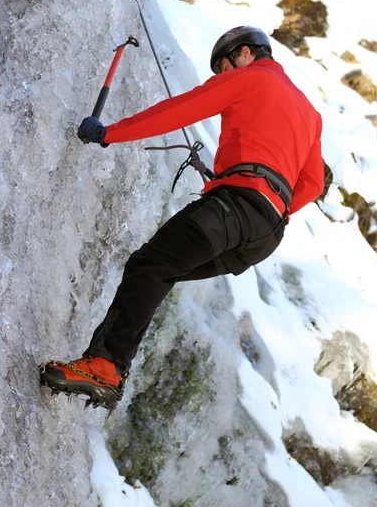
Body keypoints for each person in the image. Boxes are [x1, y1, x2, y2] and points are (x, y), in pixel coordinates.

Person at [39, 26, 325, 411]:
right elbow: (312, 182)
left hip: (235, 207)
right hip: (266, 233)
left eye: (222, 67)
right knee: (161, 270)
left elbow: (181, 110)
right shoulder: (309, 111)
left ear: (243, 54)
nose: (221, 76)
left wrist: (109, 133)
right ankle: (108, 367)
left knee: (151, 264)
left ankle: (105, 367)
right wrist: (263, 197)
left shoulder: (250, 78)